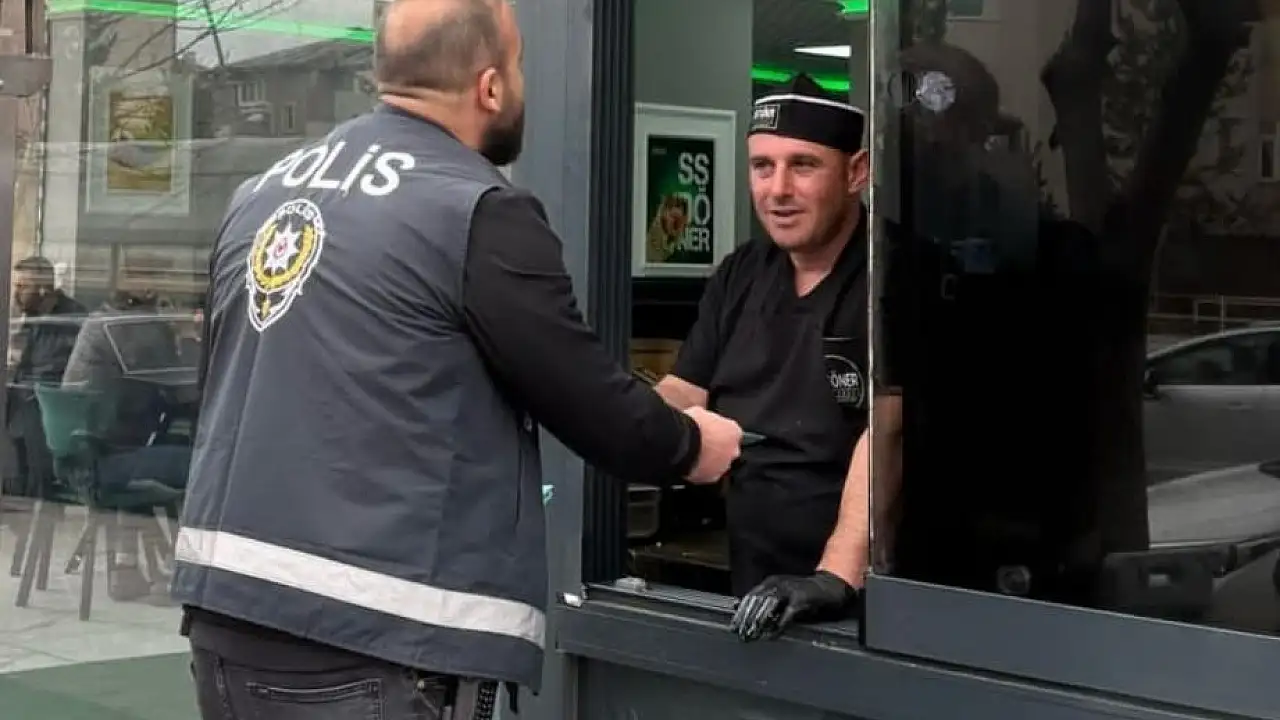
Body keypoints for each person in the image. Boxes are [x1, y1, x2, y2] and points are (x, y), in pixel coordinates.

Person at [171, 0, 742, 718]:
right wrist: (691, 445)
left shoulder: (260, 195)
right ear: (490, 86)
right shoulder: (475, 208)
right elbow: (584, 397)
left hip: (227, 622)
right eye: (521, 65)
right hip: (375, 640)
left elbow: (222, 385)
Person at [652, 74, 904, 641]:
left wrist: (835, 577)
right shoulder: (741, 274)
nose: (778, 189)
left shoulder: (895, 273)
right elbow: (684, 391)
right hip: (753, 585)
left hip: (869, 605)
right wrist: (623, 421)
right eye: (762, 167)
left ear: (856, 172)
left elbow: (889, 431)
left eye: (803, 166)